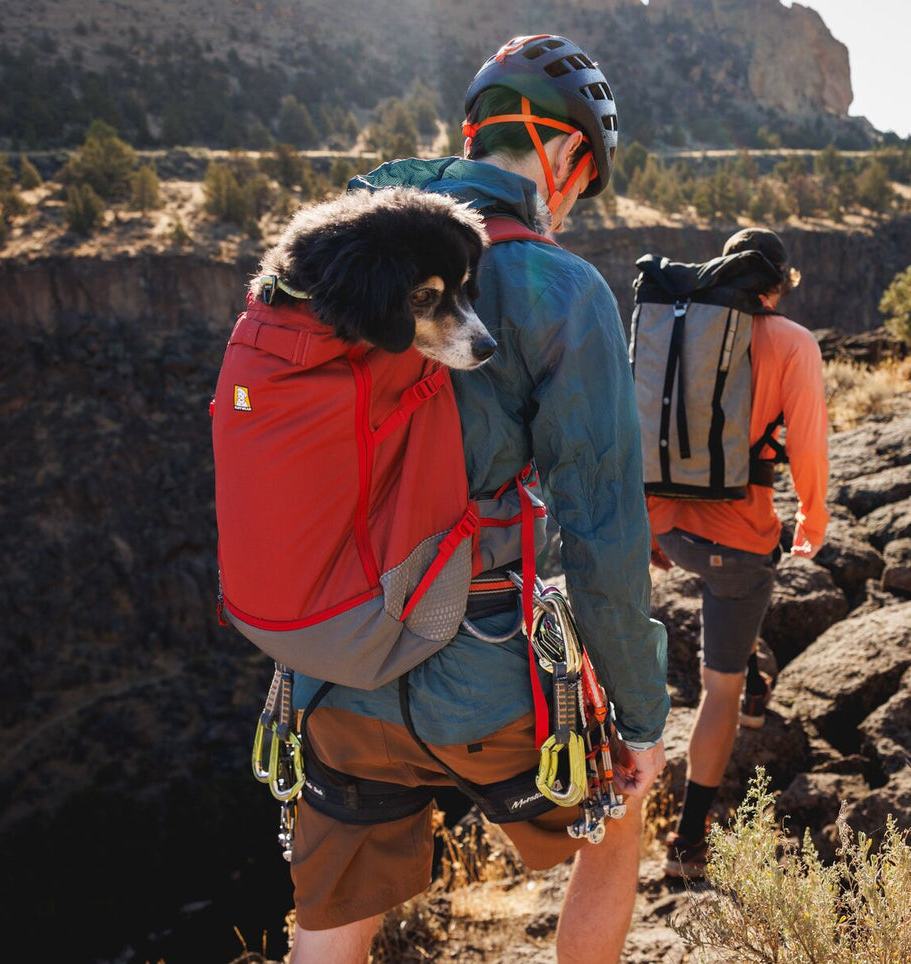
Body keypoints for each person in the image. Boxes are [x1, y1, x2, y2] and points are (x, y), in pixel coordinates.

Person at [285, 35, 669, 964]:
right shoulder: (561, 286)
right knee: (617, 818)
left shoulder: (333, 268)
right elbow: (602, 528)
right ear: (565, 155)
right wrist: (641, 719)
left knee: (331, 922)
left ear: (472, 133)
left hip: (334, 673)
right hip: (492, 686)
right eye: (584, 178)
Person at [647, 227, 828, 880]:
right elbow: (806, 446)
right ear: (776, 286)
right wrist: (814, 516)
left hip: (668, 530)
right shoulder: (791, 343)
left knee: (735, 602)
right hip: (737, 546)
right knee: (714, 691)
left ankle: (753, 666)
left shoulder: (674, 330)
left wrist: (646, 525)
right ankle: (689, 843)